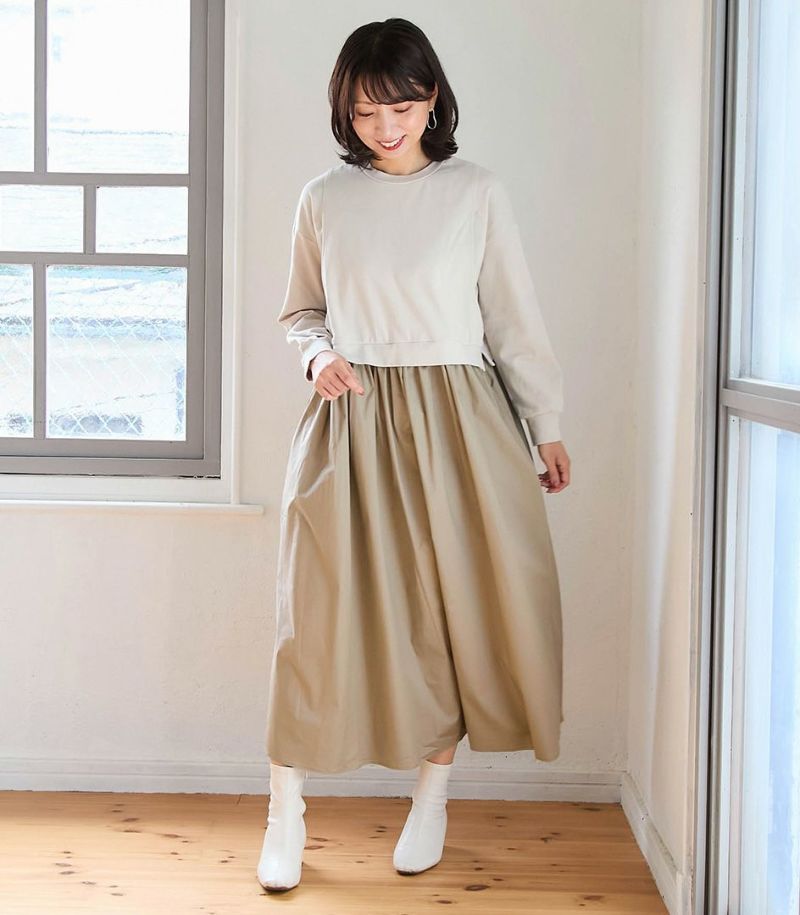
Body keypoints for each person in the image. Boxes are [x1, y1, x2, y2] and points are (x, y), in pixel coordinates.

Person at [257, 16, 571, 892]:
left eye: (399, 106)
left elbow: (511, 317)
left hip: (460, 422)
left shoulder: (476, 193)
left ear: (432, 97)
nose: (384, 127)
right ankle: (285, 810)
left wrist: (545, 422)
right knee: (315, 620)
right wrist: (318, 355)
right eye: (365, 112)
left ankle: (431, 799)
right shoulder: (324, 198)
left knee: (443, 617)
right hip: (352, 418)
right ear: (345, 113)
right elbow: (300, 311)